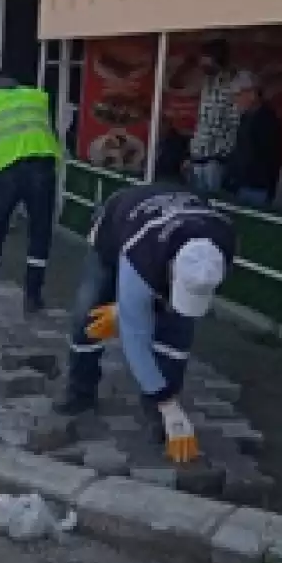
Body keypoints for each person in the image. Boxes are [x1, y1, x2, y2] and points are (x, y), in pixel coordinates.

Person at [57, 183, 236, 463]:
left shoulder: (221, 244)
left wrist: (168, 405)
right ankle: (81, 390)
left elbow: (171, 306)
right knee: (88, 314)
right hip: (119, 228)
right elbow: (134, 339)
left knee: (177, 329)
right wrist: (126, 311)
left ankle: (157, 412)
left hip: (165, 229)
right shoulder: (144, 251)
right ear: (172, 270)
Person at [0, 72, 62, 313]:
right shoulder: (37, 97)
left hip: (8, 171)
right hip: (43, 168)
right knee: (40, 233)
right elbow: (52, 133)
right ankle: (33, 296)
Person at [188, 38, 239, 193]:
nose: (201, 62)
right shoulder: (207, 83)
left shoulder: (230, 83)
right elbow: (202, 123)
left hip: (215, 160)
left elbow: (226, 123)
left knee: (212, 201)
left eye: (204, 57)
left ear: (215, 57)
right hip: (199, 158)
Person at [226, 70, 282, 207]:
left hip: (257, 187)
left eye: (239, 95)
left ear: (252, 94)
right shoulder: (245, 117)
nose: (235, 100)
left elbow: (267, 157)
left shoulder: (266, 120)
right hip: (241, 184)